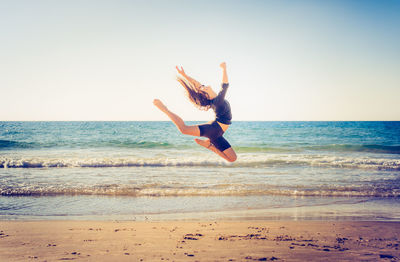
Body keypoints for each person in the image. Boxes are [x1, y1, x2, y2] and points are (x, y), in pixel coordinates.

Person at [153, 62, 237, 162]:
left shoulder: (214, 100)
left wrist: (185, 75)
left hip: (218, 133)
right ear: (206, 95)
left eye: (203, 86)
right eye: (203, 88)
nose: (202, 86)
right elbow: (225, 85)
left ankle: (210, 146)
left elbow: (197, 85)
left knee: (232, 159)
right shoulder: (218, 101)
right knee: (184, 129)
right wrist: (224, 68)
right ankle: (164, 109)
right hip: (214, 129)